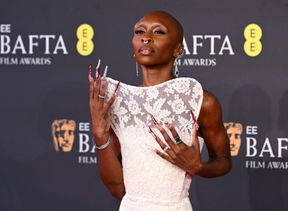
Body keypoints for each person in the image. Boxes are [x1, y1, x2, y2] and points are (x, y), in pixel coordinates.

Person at [88, 11, 231, 211]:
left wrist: (199, 167)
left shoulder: (201, 101)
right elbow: (117, 189)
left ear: (178, 49)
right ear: (134, 46)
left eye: (158, 32)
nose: (146, 37)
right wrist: (99, 134)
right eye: (139, 31)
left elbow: (223, 161)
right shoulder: (117, 103)